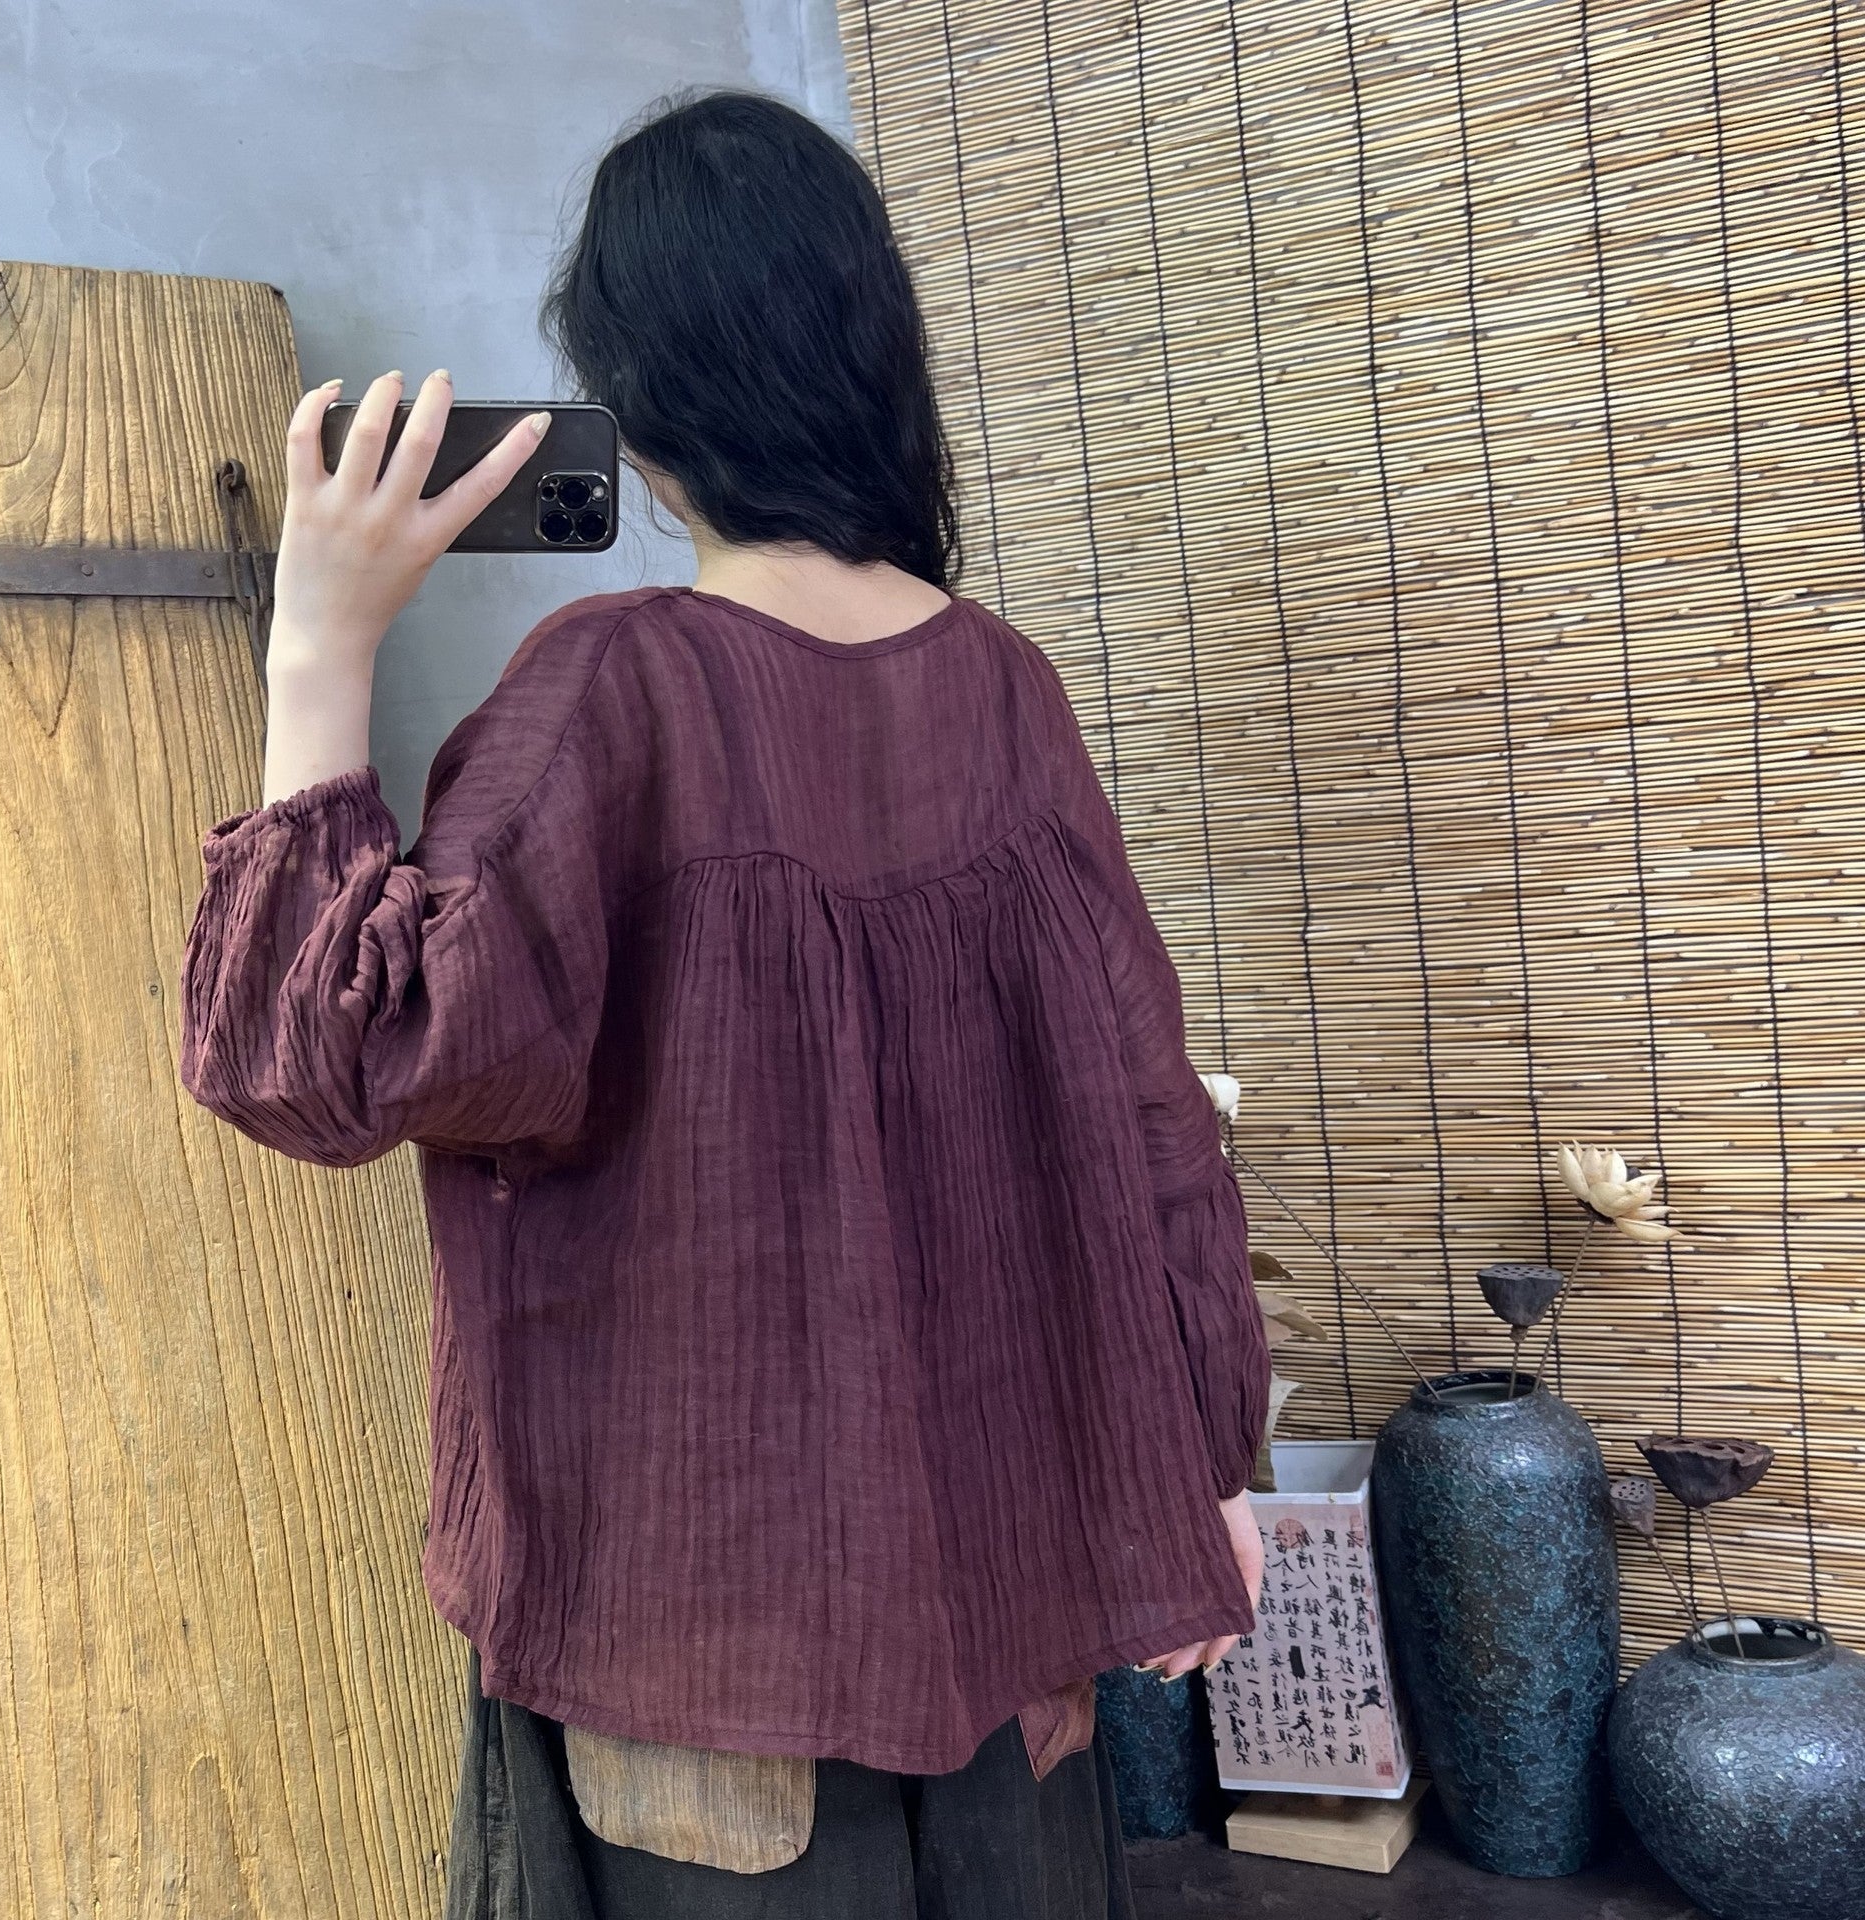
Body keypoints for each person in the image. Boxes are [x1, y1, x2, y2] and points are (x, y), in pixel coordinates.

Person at [179, 88, 1268, 1920]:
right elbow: (1154, 1119)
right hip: (1006, 1625)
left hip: (696, 1631)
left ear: (644, 404)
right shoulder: (1007, 692)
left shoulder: (616, 691)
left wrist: (322, 641)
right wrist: (1203, 1466)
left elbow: (332, 1057)